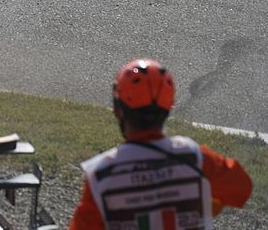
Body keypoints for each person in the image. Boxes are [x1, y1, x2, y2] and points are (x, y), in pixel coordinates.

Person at [70, 59, 252, 229]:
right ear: (168, 108)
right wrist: (209, 204)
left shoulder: (102, 175)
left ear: (118, 110)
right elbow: (242, 189)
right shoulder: (195, 158)